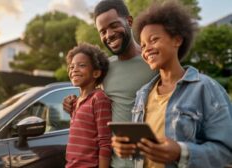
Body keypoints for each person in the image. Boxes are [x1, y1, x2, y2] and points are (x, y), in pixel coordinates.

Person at [111, 1, 232, 168]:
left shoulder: (206, 89)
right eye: (143, 45)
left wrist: (180, 152)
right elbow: (143, 151)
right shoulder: (142, 94)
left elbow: (226, 152)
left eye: (153, 40)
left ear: (177, 40)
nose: (147, 50)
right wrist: (128, 148)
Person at [63, 0, 156, 167]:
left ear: (129, 21)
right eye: (103, 31)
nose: (109, 34)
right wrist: (72, 103)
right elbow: (92, 100)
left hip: (148, 163)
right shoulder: (105, 68)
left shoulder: (153, 62)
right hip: (115, 163)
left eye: (114, 26)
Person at [65, 43, 112, 168]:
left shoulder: (99, 99)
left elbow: (105, 142)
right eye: (71, 67)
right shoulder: (75, 102)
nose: (74, 69)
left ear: (96, 73)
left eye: (81, 65)